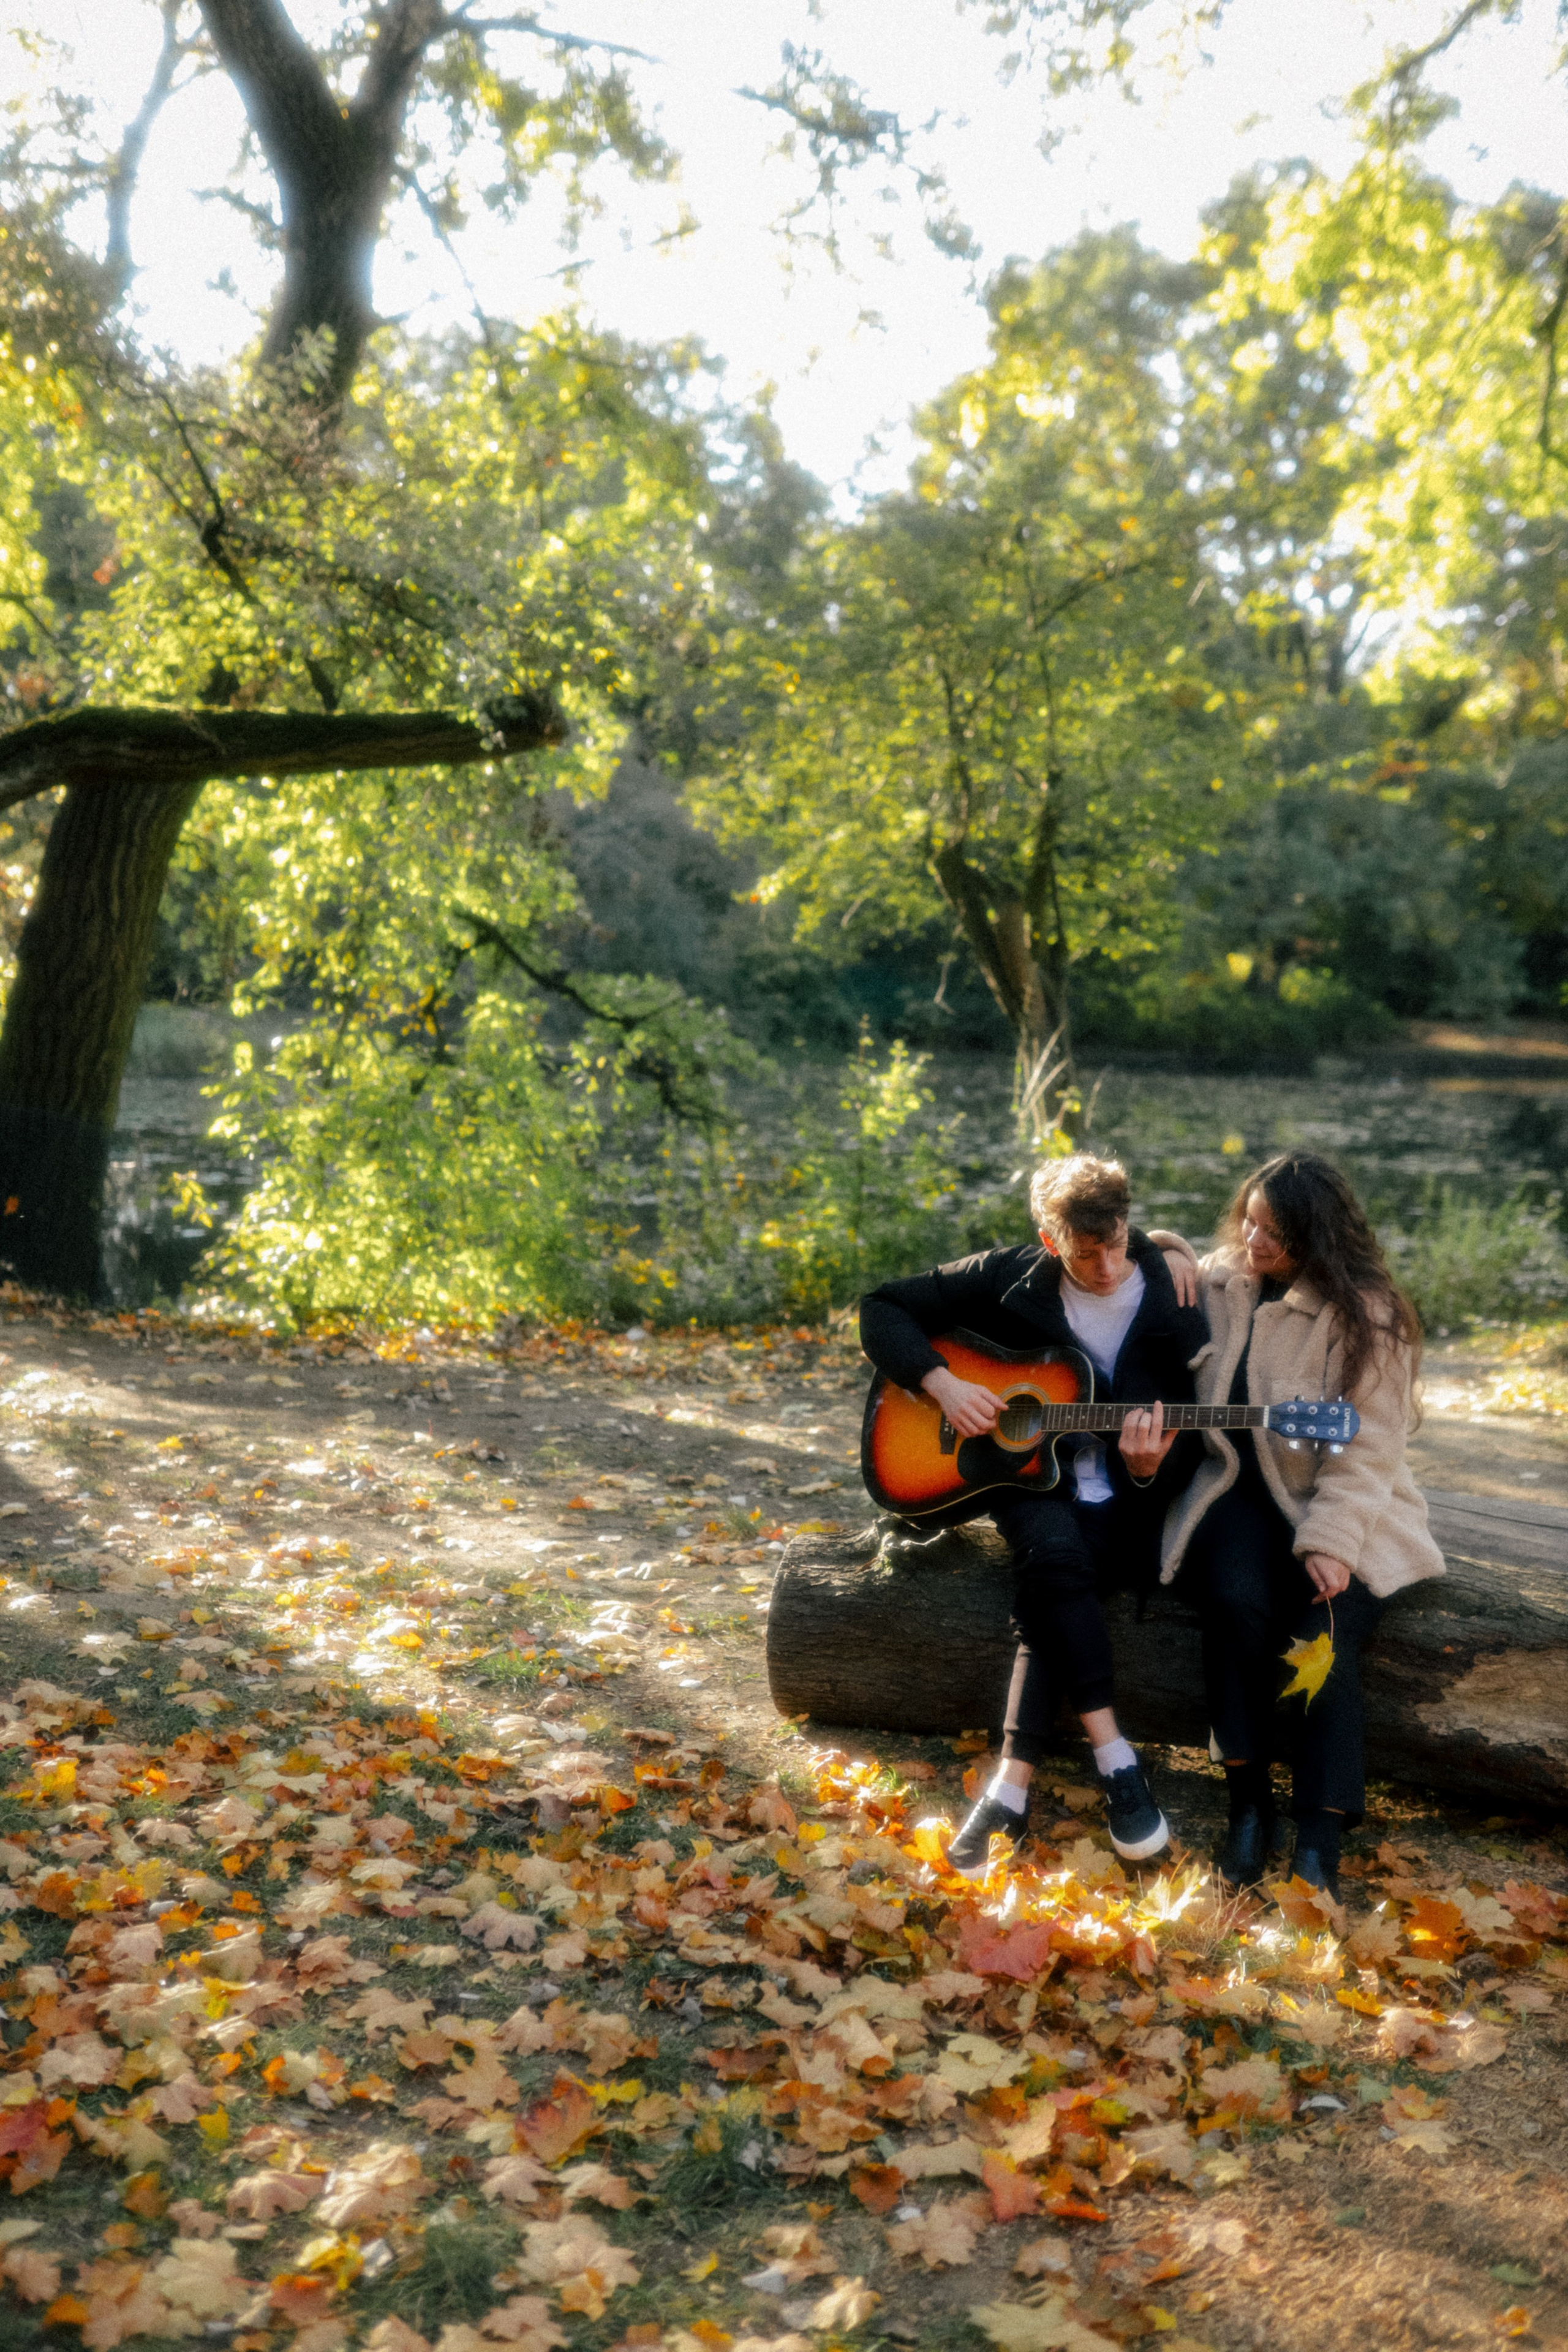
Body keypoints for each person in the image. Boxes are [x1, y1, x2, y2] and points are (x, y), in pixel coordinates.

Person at [859, 1153, 1206, 1874]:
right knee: (1051, 1557)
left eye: (1116, 1244)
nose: (1108, 1267)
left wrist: (1149, 1467)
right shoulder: (1010, 1274)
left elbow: (1192, 1436)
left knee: (1053, 1584)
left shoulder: (1169, 1296)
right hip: (1026, 1482)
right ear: (1050, 1242)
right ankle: (1117, 1761)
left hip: (1121, 1496)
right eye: (1085, 1254)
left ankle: (1009, 1787)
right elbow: (881, 1307)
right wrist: (942, 1383)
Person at [1155, 1152, 1443, 1898]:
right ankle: (1247, 1806)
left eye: (1272, 1234)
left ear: (1316, 1238)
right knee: (1233, 1603)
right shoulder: (1230, 1281)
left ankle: (1318, 1835)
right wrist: (1167, 1246)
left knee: (1323, 1635)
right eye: (1247, 1222)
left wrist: (1330, 1542)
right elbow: (1172, 1259)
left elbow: (1373, 1446)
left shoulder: (1368, 1315)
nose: (1252, 1244)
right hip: (1235, 1496)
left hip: (1340, 1501)